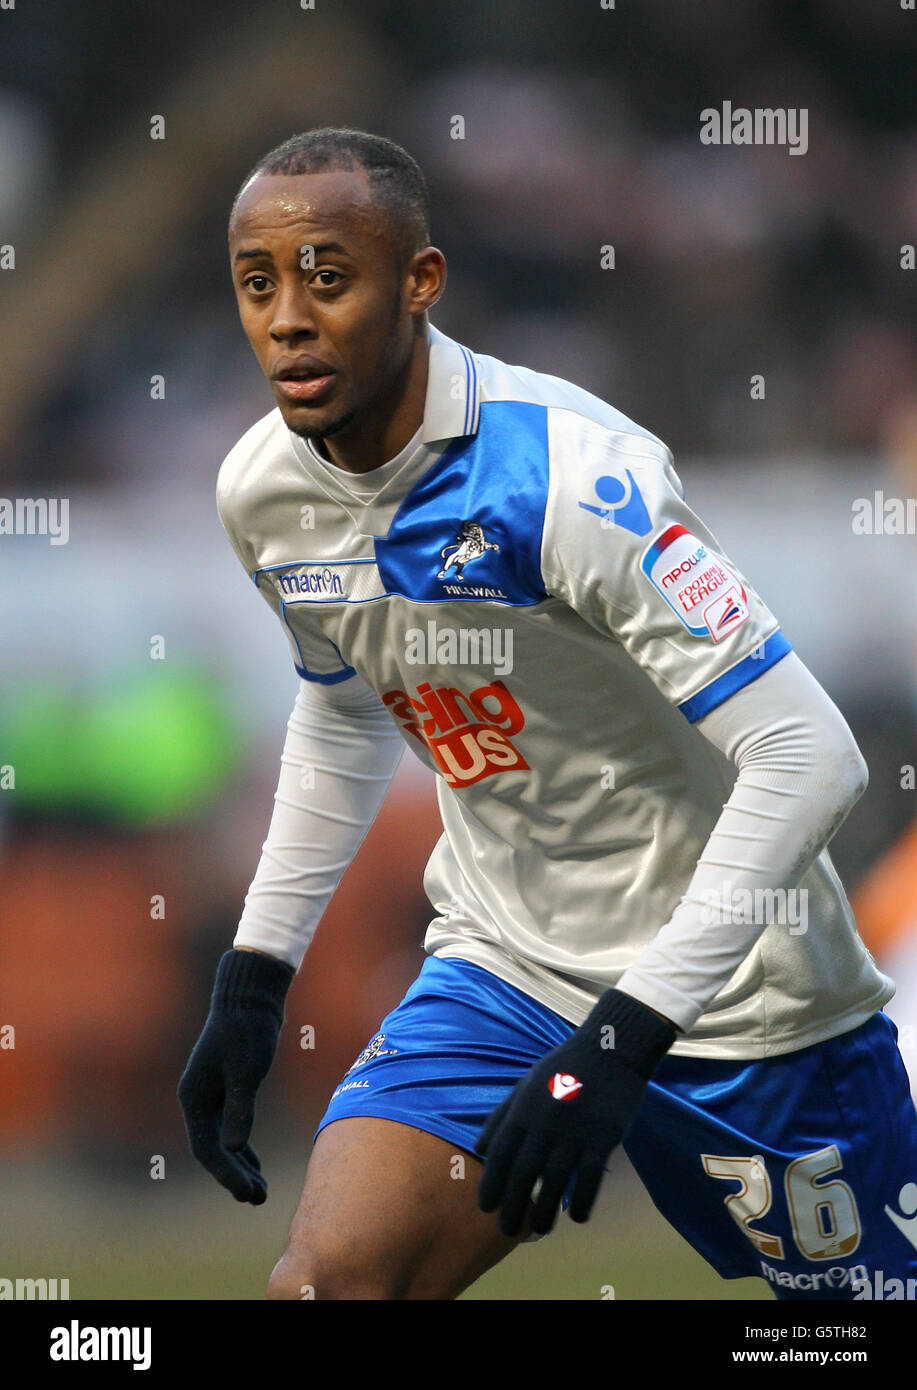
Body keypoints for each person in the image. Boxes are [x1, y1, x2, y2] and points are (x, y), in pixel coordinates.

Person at [178, 127, 917, 1302]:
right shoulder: (261, 490)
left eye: (328, 276)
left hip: (742, 993)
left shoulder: (572, 475)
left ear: (420, 282)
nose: (286, 318)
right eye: (256, 283)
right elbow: (344, 711)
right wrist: (256, 974)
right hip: (503, 965)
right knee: (329, 1283)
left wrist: (625, 1036)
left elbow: (808, 755)